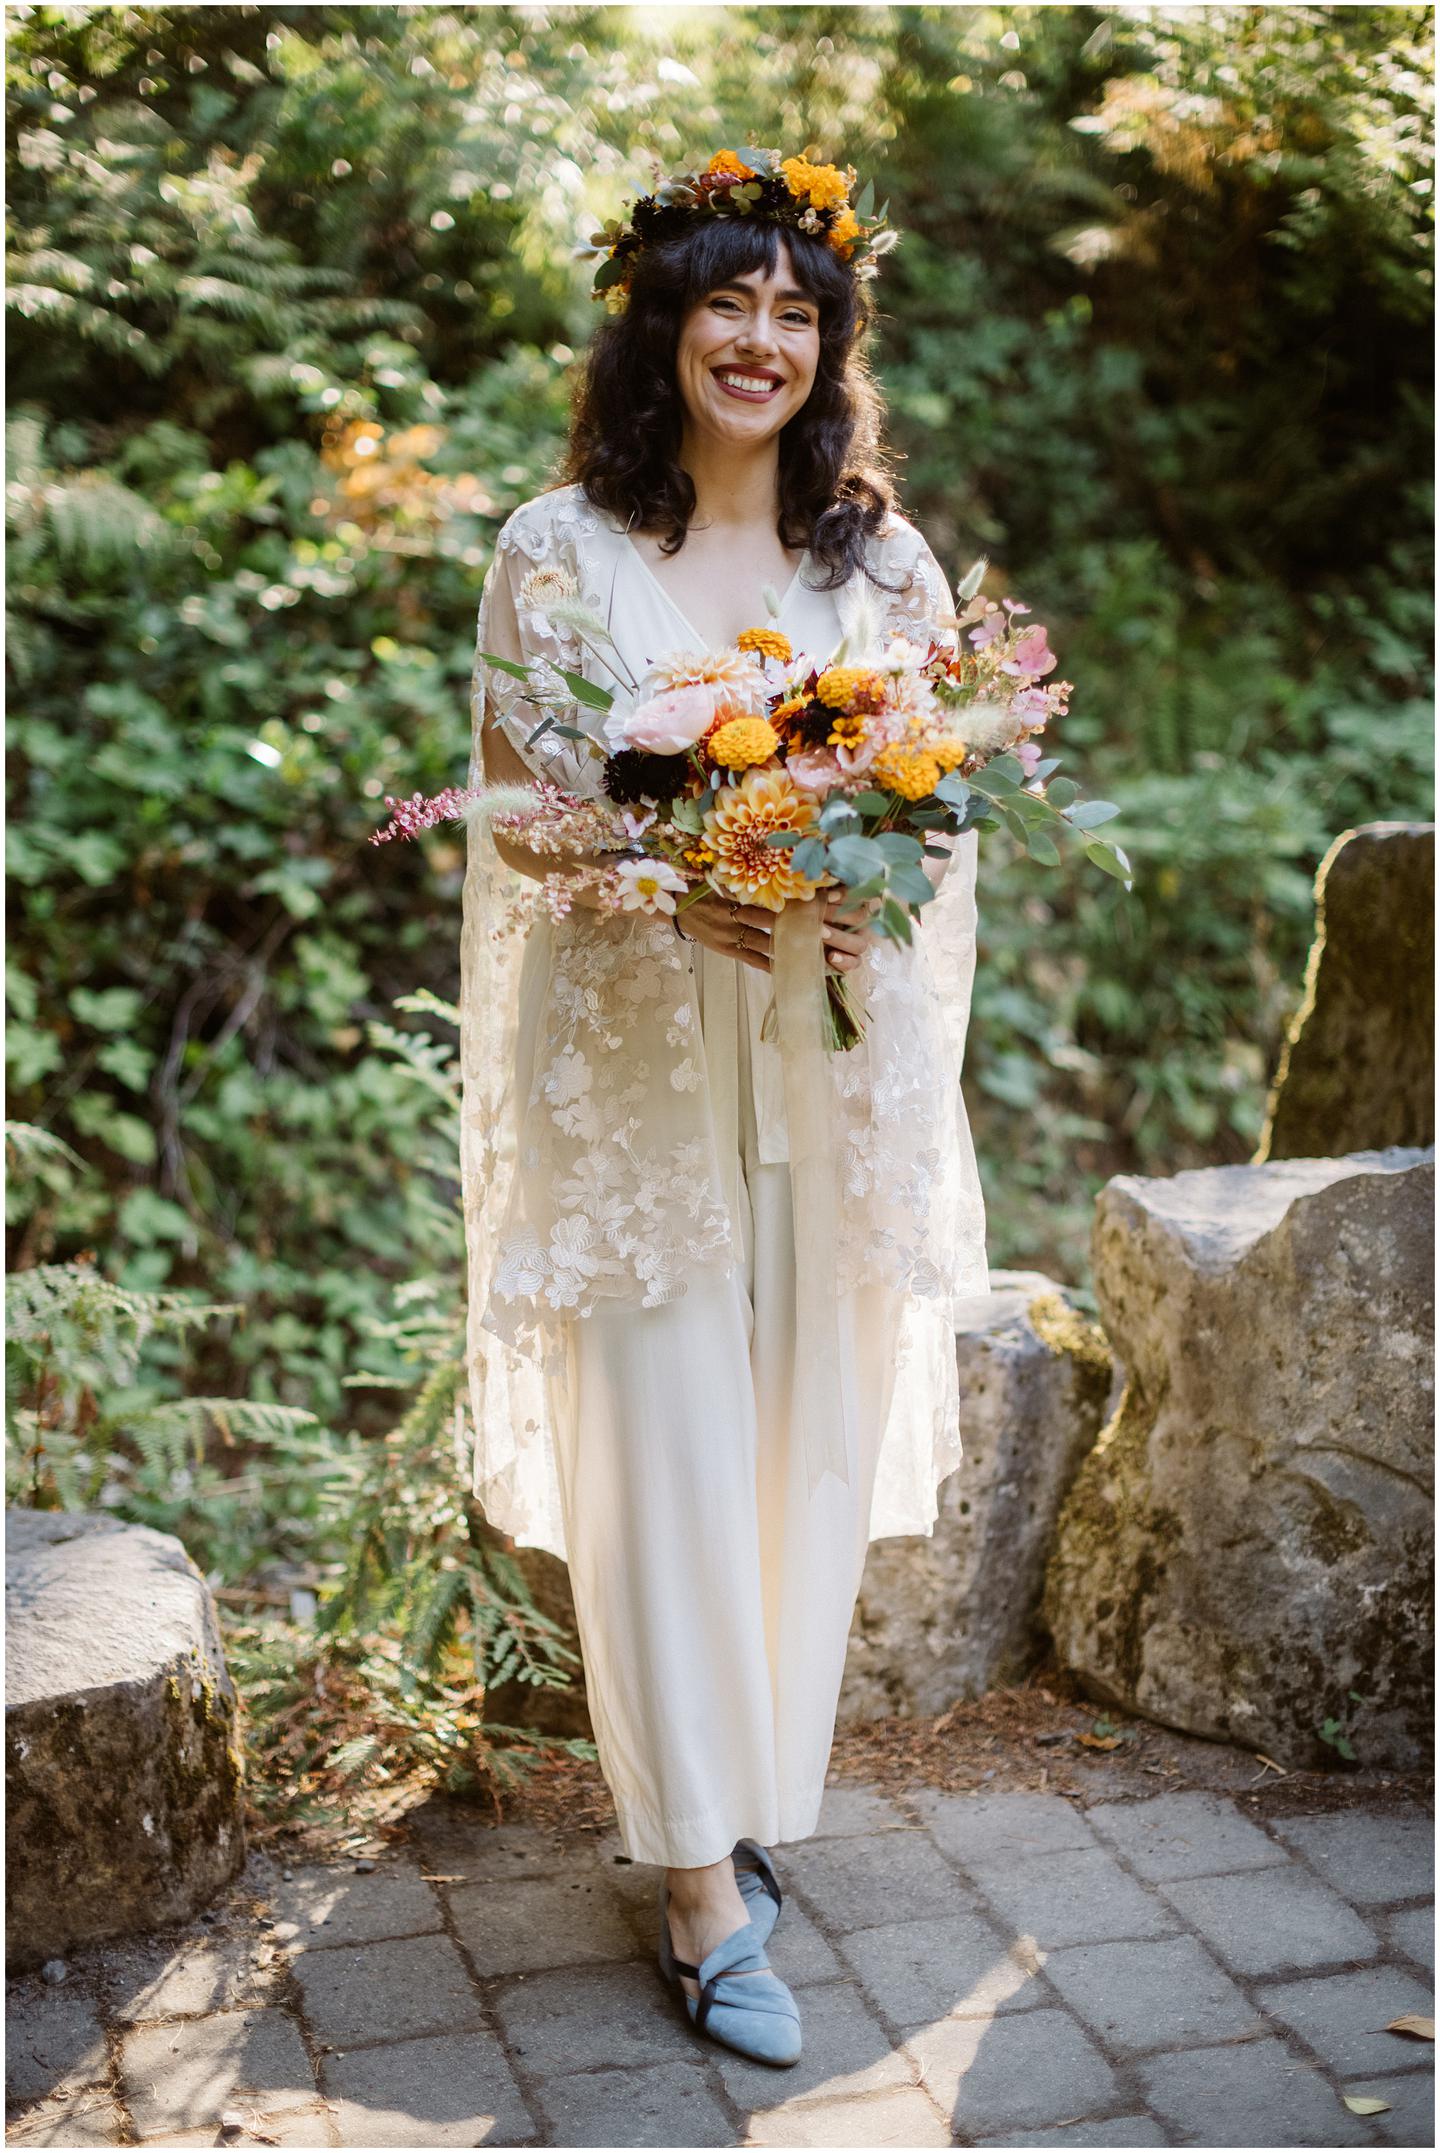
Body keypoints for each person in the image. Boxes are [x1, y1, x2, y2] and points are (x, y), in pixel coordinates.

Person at [458, 145, 989, 2065]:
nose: (759, 339)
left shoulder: (885, 568)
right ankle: (693, 1881)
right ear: (662, 326)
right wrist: (661, 875)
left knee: (794, 1438)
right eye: (725, 303)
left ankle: (742, 1788)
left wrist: (864, 887)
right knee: (666, 1443)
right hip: (638, 1072)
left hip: (822, 1058)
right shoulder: (558, 549)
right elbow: (517, 817)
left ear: (830, 344)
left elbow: (946, 811)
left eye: (794, 311)